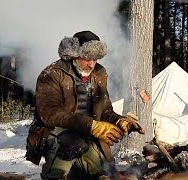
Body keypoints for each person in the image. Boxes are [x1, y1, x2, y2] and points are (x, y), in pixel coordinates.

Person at [25, 30, 144, 180]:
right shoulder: (52, 73)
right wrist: (92, 126)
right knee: (74, 143)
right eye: (87, 58)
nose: (91, 64)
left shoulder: (99, 72)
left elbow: (105, 109)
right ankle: (53, 176)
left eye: (95, 59)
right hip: (53, 131)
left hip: (86, 132)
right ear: (74, 54)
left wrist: (119, 120)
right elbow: (49, 114)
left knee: (104, 172)